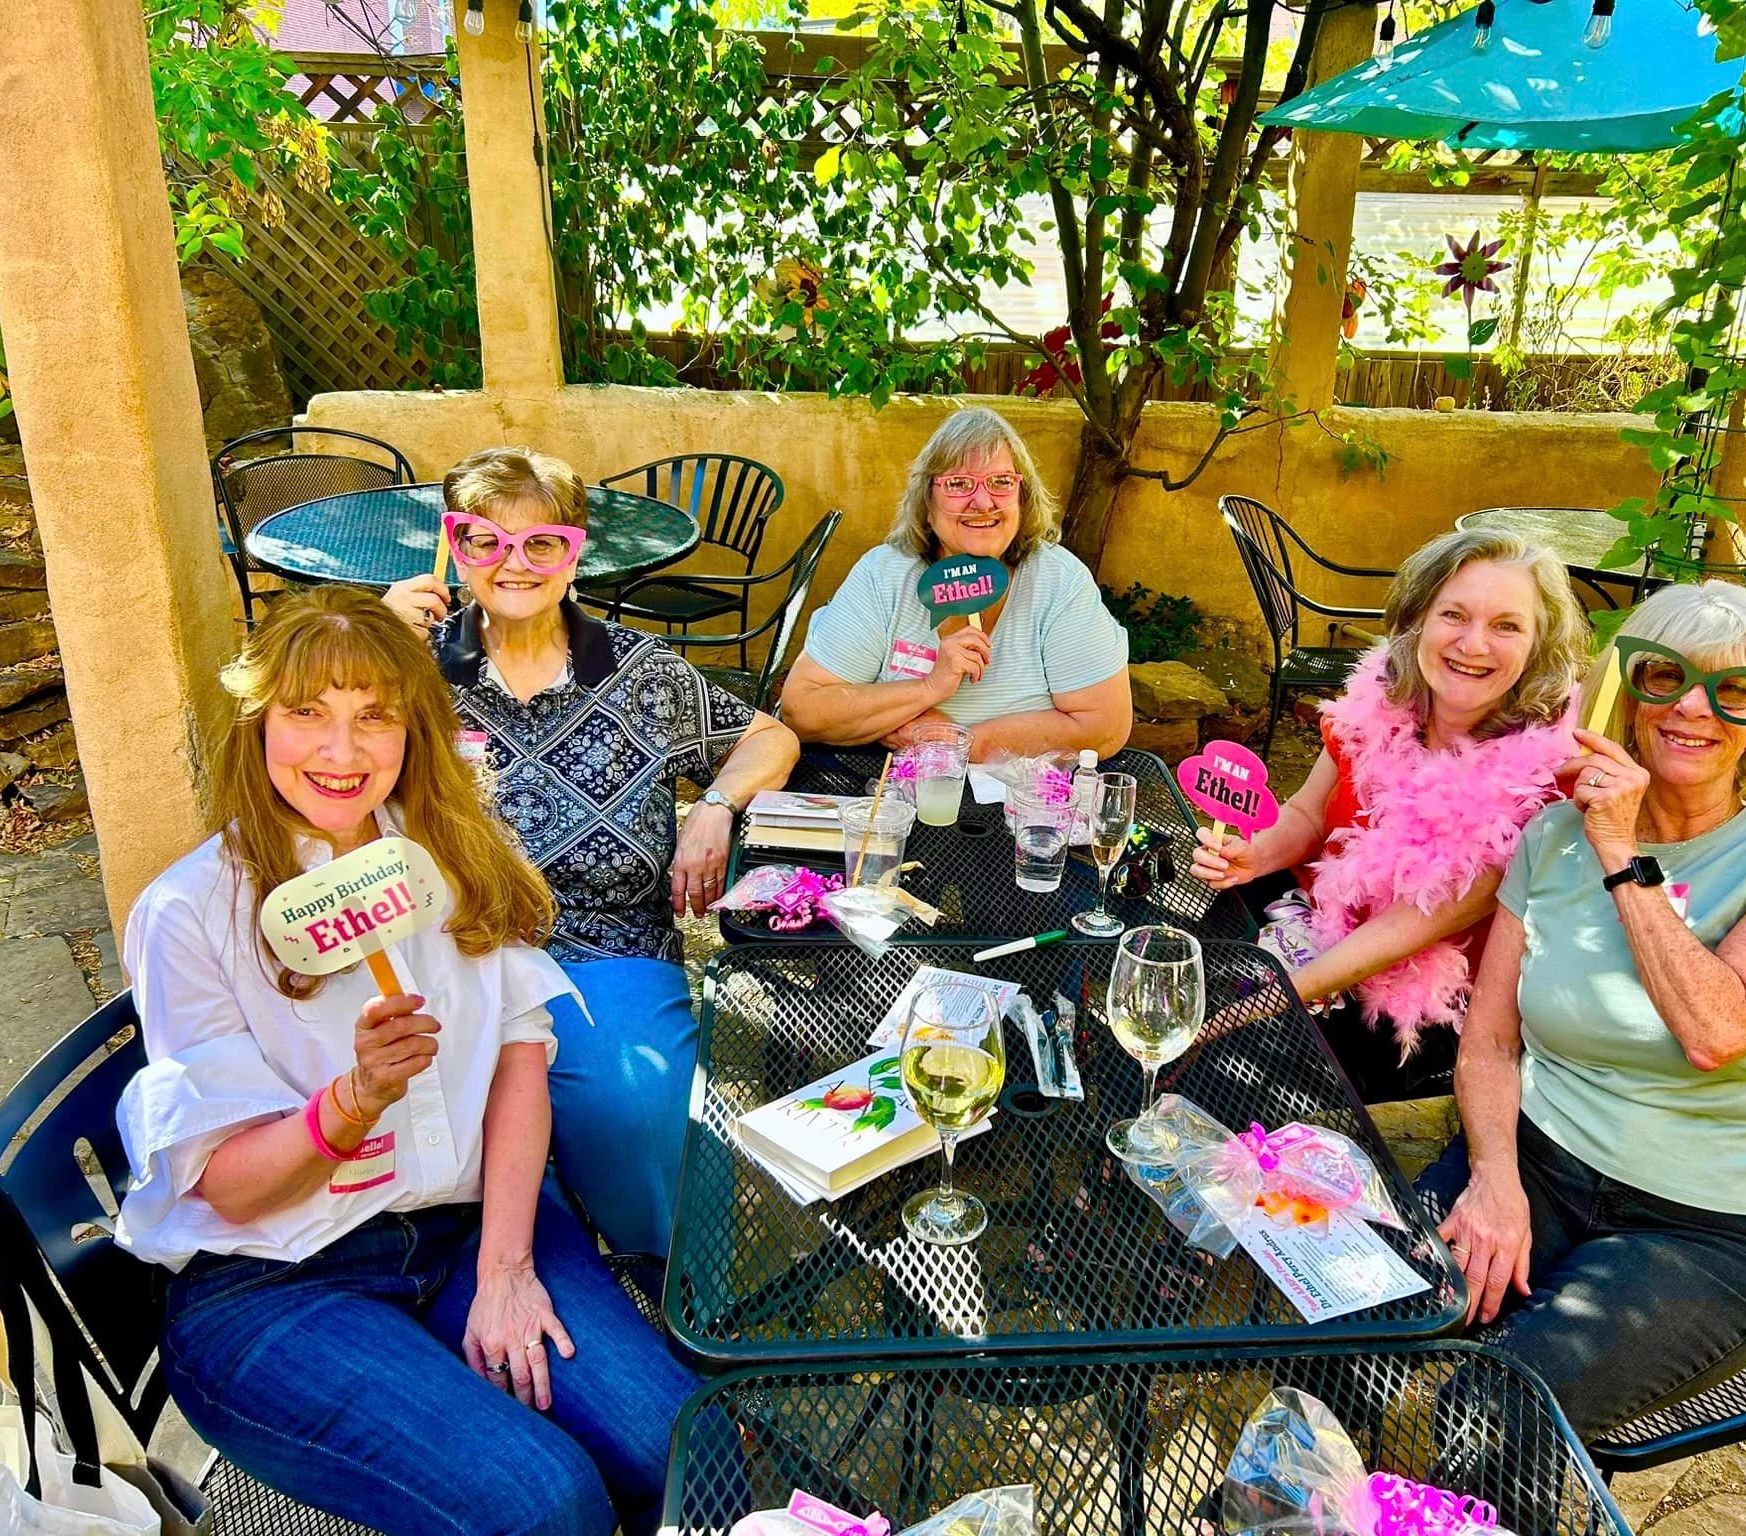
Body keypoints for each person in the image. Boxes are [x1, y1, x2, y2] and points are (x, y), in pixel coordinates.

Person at [113, 588, 699, 1536]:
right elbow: (231, 1190)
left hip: (468, 1232)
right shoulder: (191, 912)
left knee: (682, 1446)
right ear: (258, 725)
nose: (341, 753)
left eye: (374, 716)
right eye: (307, 714)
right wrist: (351, 1101)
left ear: (416, 731)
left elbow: (520, 1056)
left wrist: (508, 1267)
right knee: (545, 1502)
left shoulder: (455, 855)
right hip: (277, 1281)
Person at [1419, 580, 1746, 1440]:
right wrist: (1495, 1179)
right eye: (1666, 676)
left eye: (1734, 689)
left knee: (1499, 1418)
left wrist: (1621, 848)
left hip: (1706, 1230)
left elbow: (1716, 1030)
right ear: (1631, 692)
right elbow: (1489, 1042)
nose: (1693, 707)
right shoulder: (1552, 836)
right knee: (1357, 1311)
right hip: (1542, 1166)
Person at [382, 446, 799, 1258]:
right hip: (451, 950)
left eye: (542, 542)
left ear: (575, 553)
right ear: (453, 547)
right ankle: (508, 1274)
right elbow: (295, 754)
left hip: (606, 947)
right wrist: (367, 636)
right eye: (486, 540)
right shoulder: (410, 667)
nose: (514, 562)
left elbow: (770, 738)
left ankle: (669, 1275)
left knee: (638, 1108)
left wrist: (714, 805)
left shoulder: (637, 671)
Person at [1190, 528, 1588, 1102]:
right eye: (1454, 614)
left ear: (1538, 647)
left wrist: (1259, 1002)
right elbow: (1307, 812)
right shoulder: (1378, 702)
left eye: (1507, 625)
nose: (1473, 644)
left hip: (1409, 999)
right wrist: (1255, 856)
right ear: (1418, 619)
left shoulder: (1538, 783)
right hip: (1305, 917)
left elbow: (1410, 926)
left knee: (1232, 1076)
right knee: (1177, 974)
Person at [777, 406, 1133, 760]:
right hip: (890, 791)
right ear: (927, 504)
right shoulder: (883, 575)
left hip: (1026, 799)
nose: (982, 502)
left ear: (1022, 499)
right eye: (958, 484)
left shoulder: (1058, 581)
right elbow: (804, 711)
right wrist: (929, 688)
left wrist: (954, 742)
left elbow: (1105, 726)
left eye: (1001, 482)